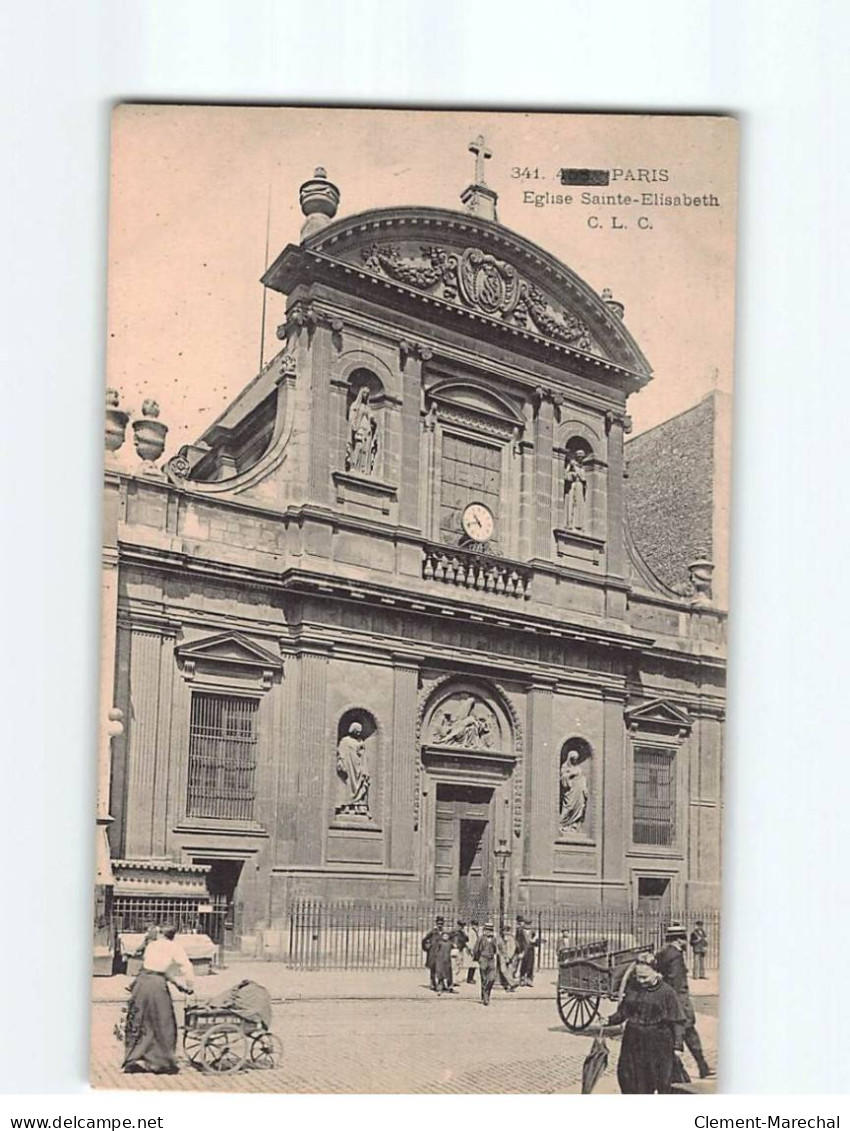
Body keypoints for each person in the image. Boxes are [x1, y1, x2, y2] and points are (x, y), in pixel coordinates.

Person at [123, 923, 194, 1074]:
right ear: (173, 935)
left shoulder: (152, 946)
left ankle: (134, 1057)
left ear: (161, 933)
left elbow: (155, 969)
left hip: (141, 983)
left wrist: (176, 984)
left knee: (139, 1019)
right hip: (156, 987)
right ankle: (161, 1061)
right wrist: (188, 985)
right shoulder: (175, 948)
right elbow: (186, 967)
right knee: (163, 1022)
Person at [606, 961, 685, 1094]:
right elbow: (624, 1011)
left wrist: (678, 1045)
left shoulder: (667, 992)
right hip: (633, 1041)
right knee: (629, 1077)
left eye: (645, 977)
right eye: (638, 977)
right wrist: (609, 1020)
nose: (641, 981)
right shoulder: (633, 988)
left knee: (658, 1079)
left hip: (658, 1041)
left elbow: (677, 1020)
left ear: (656, 973)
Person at [654, 925, 713, 1079]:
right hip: (680, 1002)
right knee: (687, 1033)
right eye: (683, 939)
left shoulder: (664, 953)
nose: (685, 942)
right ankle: (698, 1067)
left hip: (672, 1001)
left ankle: (702, 1066)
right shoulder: (675, 957)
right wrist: (680, 1005)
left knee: (684, 1034)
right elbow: (676, 983)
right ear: (679, 940)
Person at [472, 922, 500, 1006]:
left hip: (491, 959)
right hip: (483, 959)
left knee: (492, 978)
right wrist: (478, 958)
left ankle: (487, 992)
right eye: (487, 930)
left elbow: (496, 950)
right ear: (484, 930)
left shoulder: (494, 939)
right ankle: (485, 997)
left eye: (490, 930)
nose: (488, 932)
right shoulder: (481, 939)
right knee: (484, 979)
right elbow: (476, 949)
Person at [421, 916, 445, 992]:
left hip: (441, 954)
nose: (440, 925)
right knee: (433, 969)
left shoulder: (444, 933)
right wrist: (427, 948)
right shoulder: (432, 932)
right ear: (436, 923)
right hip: (433, 953)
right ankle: (433, 983)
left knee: (442, 969)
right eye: (438, 923)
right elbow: (424, 941)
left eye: (441, 923)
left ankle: (440, 984)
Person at [451, 920, 470, 985]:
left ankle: (454, 979)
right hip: (454, 950)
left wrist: (464, 933)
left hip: (460, 950)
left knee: (458, 965)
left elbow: (467, 939)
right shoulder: (453, 932)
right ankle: (453, 980)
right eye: (460, 926)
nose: (461, 927)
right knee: (454, 965)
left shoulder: (462, 933)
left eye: (462, 926)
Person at [465, 919, 481, 984]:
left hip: (475, 949)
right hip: (472, 949)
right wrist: (471, 950)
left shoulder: (474, 931)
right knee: (471, 965)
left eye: (476, 925)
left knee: (473, 965)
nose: (476, 926)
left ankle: (471, 978)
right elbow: (470, 942)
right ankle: (469, 979)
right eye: (474, 925)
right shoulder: (471, 932)